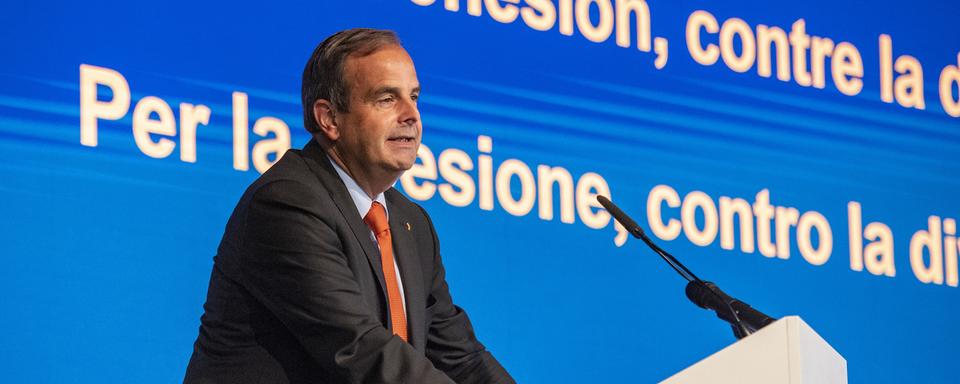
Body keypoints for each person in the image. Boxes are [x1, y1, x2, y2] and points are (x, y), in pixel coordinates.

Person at [183, 28, 514, 384]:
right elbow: (360, 348)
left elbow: (461, 357)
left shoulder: (411, 223)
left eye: (414, 97)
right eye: (387, 99)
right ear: (329, 119)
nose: (411, 115)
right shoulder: (287, 203)